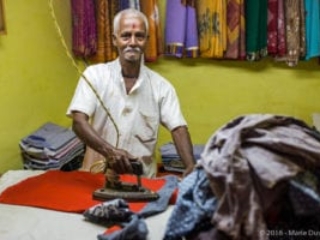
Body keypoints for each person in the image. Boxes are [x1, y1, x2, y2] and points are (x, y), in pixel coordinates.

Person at [66, 8, 195, 178]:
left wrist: (191, 167)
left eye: (139, 36)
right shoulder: (94, 75)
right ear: (114, 39)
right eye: (126, 35)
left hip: (143, 181)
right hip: (96, 178)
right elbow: (78, 122)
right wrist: (110, 152)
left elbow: (178, 128)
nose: (132, 42)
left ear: (146, 41)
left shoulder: (162, 87)